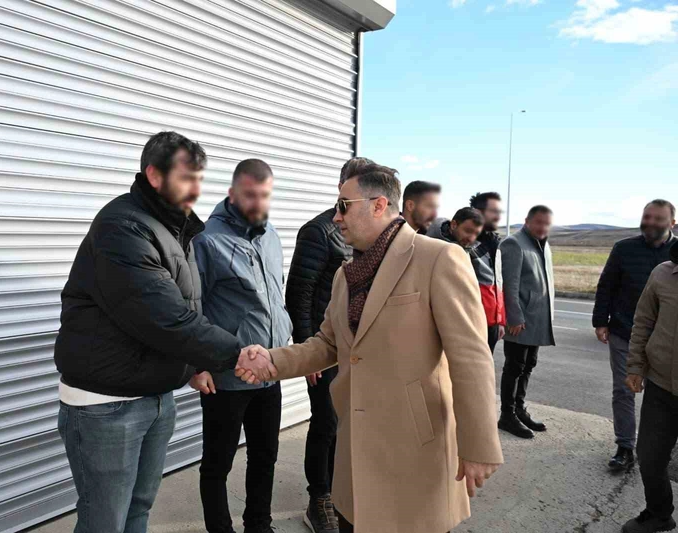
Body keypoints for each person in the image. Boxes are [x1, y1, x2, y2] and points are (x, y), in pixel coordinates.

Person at [238, 166, 503, 533]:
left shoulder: (438, 258)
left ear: (379, 205)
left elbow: (470, 357)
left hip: (415, 450)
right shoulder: (346, 275)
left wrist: (479, 444)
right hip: (355, 454)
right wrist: (272, 360)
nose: (336, 216)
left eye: (343, 205)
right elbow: (328, 343)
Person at [53, 132, 274, 533]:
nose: (196, 189)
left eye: (199, 178)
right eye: (186, 178)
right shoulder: (123, 228)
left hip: (153, 395)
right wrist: (237, 354)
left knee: (138, 509)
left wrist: (195, 364)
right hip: (107, 405)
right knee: (105, 521)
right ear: (155, 176)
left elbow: (189, 305)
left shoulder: (173, 227)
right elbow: (164, 317)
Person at [190, 159, 293, 533]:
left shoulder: (271, 236)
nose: (258, 203)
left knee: (265, 456)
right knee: (218, 463)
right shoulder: (206, 240)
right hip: (227, 374)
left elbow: (276, 294)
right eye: (250, 195)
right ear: (232, 193)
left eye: (264, 195)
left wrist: (286, 345)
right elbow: (191, 306)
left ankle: (258, 525)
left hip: (269, 369)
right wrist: (196, 365)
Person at [285, 157, 373, 533]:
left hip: (359, 351)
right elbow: (298, 294)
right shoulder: (319, 231)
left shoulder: (368, 233)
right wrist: (309, 353)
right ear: (342, 187)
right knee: (326, 424)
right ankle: (318, 499)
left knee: (351, 426)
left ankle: (342, 493)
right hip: (326, 349)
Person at [593, 200, 676, 472]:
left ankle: (659, 450)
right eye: (647, 216)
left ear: (672, 223)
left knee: (663, 395)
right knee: (624, 390)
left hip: (666, 341)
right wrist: (600, 321)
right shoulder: (624, 248)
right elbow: (606, 285)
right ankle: (625, 447)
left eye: (658, 218)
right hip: (624, 332)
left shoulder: (676, 254)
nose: (650, 222)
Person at [621, 241, 678, 533]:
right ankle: (659, 513)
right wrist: (635, 366)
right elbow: (643, 321)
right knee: (649, 456)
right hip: (661, 386)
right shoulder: (663, 273)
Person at [498, 205, 555, 440]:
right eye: (538, 222)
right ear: (527, 221)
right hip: (520, 319)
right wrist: (514, 316)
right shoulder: (514, 243)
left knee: (529, 364)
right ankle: (507, 415)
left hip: (537, 318)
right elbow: (508, 284)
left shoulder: (543, 244)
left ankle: (519, 409)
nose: (543, 227)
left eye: (547, 223)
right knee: (514, 366)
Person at [470, 192, 507, 353]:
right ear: (478, 212)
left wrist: (500, 320)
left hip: (492, 322)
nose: (498, 216)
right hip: (471, 320)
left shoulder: (495, 243)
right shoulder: (464, 242)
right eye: (494, 211)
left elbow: (498, 283)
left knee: (485, 365)